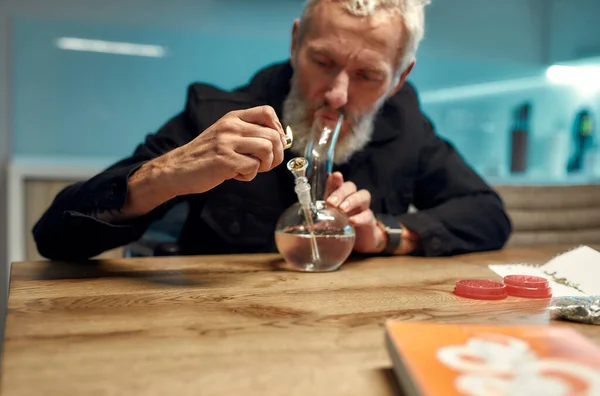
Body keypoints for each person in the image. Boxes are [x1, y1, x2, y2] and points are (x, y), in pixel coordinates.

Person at [33, 0, 512, 261]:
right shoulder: (215, 112)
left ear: (399, 79)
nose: (337, 95)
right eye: (322, 62)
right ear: (295, 43)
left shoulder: (405, 120)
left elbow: (487, 214)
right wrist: (165, 173)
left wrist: (386, 235)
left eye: (367, 76)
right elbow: (54, 238)